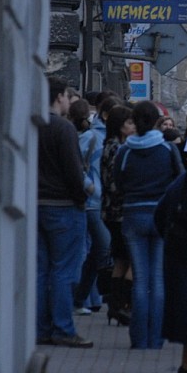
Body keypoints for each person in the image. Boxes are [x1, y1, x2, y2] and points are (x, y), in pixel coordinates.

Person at [114, 100, 184, 349]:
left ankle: (139, 338)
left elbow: (118, 184)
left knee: (140, 279)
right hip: (161, 215)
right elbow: (179, 180)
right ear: (156, 121)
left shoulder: (125, 151)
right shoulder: (166, 149)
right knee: (158, 279)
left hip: (133, 216)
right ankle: (156, 338)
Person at [36, 76, 92, 348]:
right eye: (69, 97)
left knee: (40, 270)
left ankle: (40, 328)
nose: (70, 102)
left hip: (36, 205)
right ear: (59, 98)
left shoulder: (30, 125)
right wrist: (82, 196)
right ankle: (63, 328)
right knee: (64, 271)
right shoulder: (63, 128)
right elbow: (73, 171)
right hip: (64, 207)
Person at [73, 96, 119, 315]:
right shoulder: (91, 137)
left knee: (97, 254)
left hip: (109, 205)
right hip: (92, 203)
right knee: (104, 247)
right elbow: (75, 165)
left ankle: (81, 297)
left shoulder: (118, 142)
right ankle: (101, 297)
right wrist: (90, 187)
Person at [100, 104, 136, 326]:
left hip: (110, 211)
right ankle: (124, 304)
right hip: (120, 211)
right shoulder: (117, 149)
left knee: (121, 259)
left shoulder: (110, 145)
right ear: (120, 127)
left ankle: (114, 306)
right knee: (133, 260)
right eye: (130, 123)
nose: (133, 127)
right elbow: (115, 183)